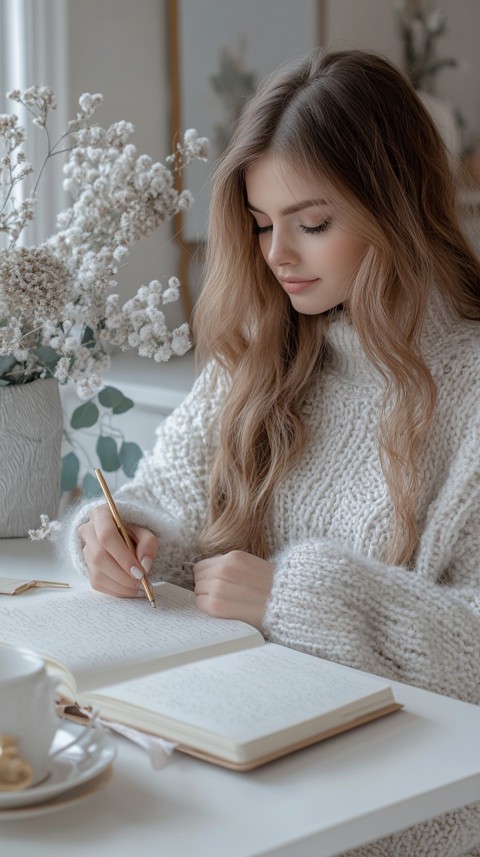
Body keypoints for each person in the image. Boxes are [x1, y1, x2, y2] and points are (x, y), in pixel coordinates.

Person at [64, 49, 480, 855]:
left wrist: (295, 595)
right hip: (234, 767)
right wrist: (129, 536)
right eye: (260, 225)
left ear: (397, 209)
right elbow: (167, 499)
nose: (276, 255)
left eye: (312, 224)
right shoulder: (259, 354)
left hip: (394, 803)